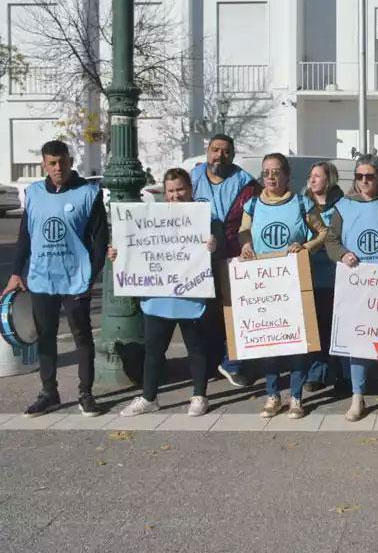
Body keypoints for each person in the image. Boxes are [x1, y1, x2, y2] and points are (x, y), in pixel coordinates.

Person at [5, 140, 108, 418]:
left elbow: (100, 241)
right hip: (41, 279)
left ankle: (86, 394)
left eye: (62, 161)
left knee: (82, 338)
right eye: (51, 163)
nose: (57, 167)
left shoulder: (89, 193)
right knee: (45, 338)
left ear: (70, 161)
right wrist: (16, 272)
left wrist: (91, 275)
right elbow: (25, 236)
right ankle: (49, 393)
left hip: (75, 279)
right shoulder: (35, 193)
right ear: (44, 165)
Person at [112, 168, 221, 417]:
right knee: (154, 350)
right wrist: (118, 254)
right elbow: (133, 248)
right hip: (158, 296)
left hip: (192, 295)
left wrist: (214, 247)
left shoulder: (207, 219)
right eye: (170, 191)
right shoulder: (151, 219)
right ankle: (149, 397)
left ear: (191, 189)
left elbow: (221, 251)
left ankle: (199, 395)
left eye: (180, 189)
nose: (175, 195)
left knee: (196, 348)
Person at [239, 153, 327, 419]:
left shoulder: (301, 203)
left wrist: (305, 247)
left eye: (276, 172)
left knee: (297, 342)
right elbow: (244, 232)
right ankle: (273, 394)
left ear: (287, 175)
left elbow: (323, 232)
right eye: (266, 172)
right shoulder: (252, 205)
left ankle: (296, 396)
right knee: (269, 341)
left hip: (294, 281)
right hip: (263, 287)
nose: (271, 177)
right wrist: (245, 246)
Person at [327, 154, 378, 421]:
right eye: (360, 176)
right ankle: (357, 396)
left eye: (370, 176)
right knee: (358, 340)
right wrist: (342, 254)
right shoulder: (343, 206)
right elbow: (331, 241)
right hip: (357, 285)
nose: (364, 181)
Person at [191, 134, 260, 388]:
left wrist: (246, 245)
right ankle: (208, 363)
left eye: (226, 151)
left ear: (233, 154)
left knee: (235, 311)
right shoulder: (193, 178)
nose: (220, 155)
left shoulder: (246, 183)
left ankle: (231, 362)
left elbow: (252, 217)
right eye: (215, 150)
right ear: (207, 151)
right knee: (204, 315)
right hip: (196, 259)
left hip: (232, 254)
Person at [303, 161, 345, 392]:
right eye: (311, 175)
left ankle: (340, 374)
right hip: (310, 273)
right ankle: (316, 373)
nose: (312, 179)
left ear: (329, 179)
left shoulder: (343, 204)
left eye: (317, 175)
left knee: (336, 327)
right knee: (315, 327)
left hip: (336, 274)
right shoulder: (303, 204)